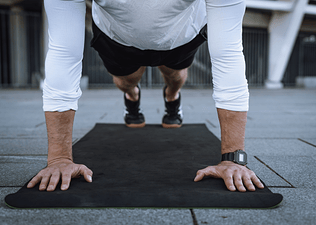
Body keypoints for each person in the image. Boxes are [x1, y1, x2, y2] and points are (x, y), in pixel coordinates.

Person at [27, 0, 264, 193]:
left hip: (180, 36)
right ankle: (132, 96)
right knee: (125, 81)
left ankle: (172, 98)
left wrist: (233, 159)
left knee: (176, 76)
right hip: (117, 37)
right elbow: (63, 53)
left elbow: (228, 55)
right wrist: (59, 159)